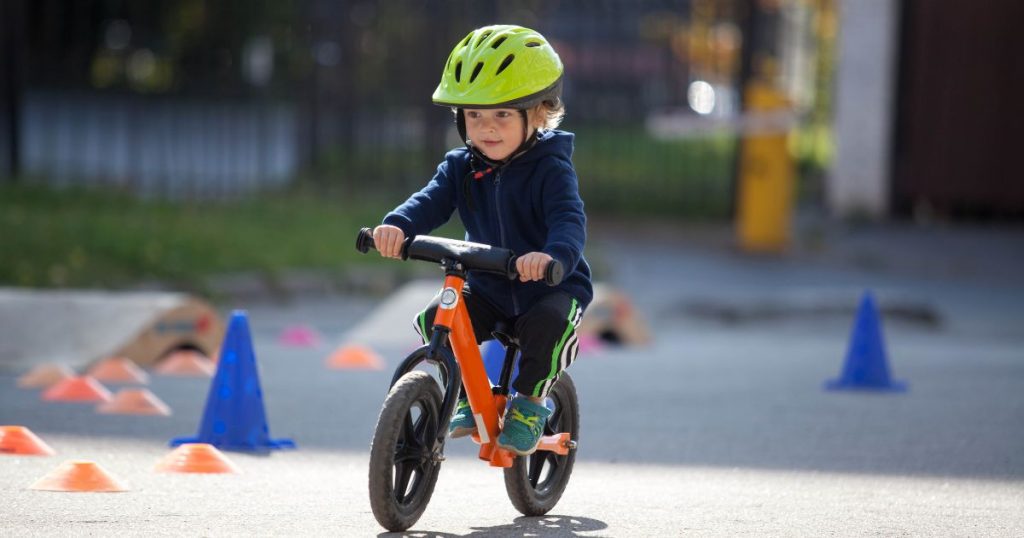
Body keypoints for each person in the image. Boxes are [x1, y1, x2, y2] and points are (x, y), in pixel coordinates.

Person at [372, 24, 592, 456]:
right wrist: (398, 225)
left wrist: (552, 256)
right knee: (438, 317)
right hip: (489, 285)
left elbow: (569, 219)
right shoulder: (461, 166)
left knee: (549, 325)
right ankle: (465, 394)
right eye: (475, 115)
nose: (487, 128)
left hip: (547, 286)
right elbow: (431, 201)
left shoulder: (551, 169)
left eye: (502, 115)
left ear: (540, 112)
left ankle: (530, 404)